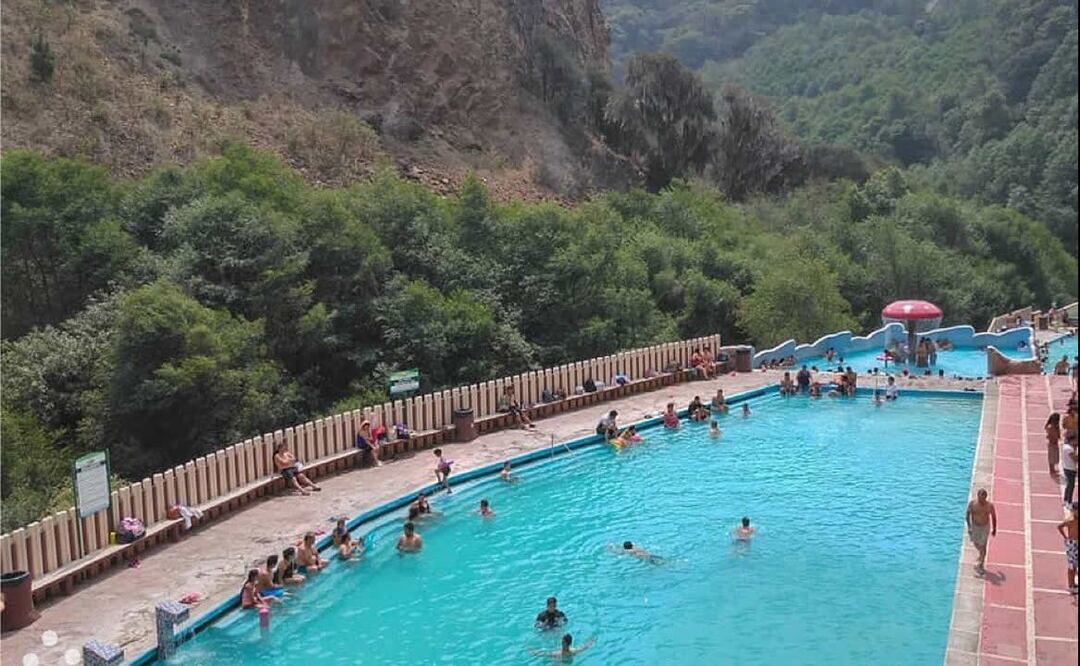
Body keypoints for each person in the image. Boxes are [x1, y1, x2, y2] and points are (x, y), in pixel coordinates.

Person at [966, 489, 997, 574]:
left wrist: (994, 529)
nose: (981, 500)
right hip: (975, 526)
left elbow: (994, 517)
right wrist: (969, 527)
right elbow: (968, 515)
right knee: (976, 543)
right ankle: (981, 555)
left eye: (983, 499)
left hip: (985, 527)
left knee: (983, 545)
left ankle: (981, 564)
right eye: (980, 498)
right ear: (978, 496)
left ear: (985, 497)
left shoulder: (989, 506)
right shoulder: (972, 504)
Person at [1056, 502, 1078, 593]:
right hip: (1072, 543)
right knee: (1071, 564)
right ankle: (1070, 585)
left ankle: (1073, 583)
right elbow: (1059, 526)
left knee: (1075, 564)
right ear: (1073, 510)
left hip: (1077, 543)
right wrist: (1065, 537)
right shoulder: (1071, 519)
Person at [530, 633, 595, 659]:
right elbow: (545, 654)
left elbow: (584, 648)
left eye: (563, 642)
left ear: (568, 644)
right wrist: (535, 652)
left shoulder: (559, 653)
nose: (561, 643)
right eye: (562, 641)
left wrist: (590, 643)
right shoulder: (573, 651)